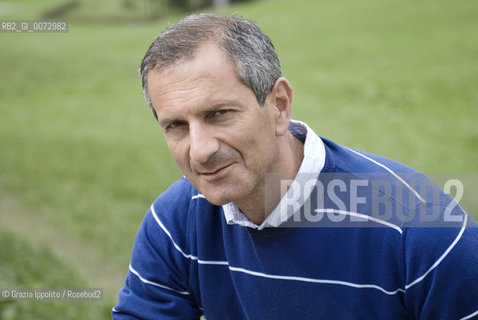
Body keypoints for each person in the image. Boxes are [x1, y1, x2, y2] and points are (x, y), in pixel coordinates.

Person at [113, 13, 478, 319]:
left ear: (280, 106)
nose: (201, 151)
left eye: (219, 114)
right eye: (176, 126)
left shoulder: (423, 232)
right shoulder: (175, 222)